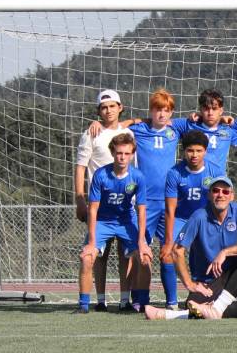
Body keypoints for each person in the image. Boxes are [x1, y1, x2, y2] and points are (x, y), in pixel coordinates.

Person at [77, 133, 152, 313]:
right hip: (103, 220)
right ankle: (84, 305)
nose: (122, 157)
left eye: (126, 153)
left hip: (126, 220)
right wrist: (92, 242)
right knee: (87, 258)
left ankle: (140, 303)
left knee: (144, 258)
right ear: (112, 152)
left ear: (132, 154)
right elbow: (93, 209)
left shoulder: (138, 177)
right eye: (119, 153)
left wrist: (142, 241)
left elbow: (141, 210)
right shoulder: (101, 175)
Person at [73, 89, 134, 311]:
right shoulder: (91, 133)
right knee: (97, 255)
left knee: (126, 254)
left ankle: (125, 300)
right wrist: (80, 198)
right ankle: (99, 301)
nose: (108, 110)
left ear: (120, 107)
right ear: (99, 111)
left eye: (112, 106)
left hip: (126, 205)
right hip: (99, 206)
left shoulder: (129, 133)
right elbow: (80, 167)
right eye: (103, 107)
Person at [168, 176, 237, 312]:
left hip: (236, 276)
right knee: (194, 307)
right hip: (209, 281)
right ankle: (225, 303)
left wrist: (224, 252)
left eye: (225, 192)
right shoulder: (198, 217)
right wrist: (189, 284)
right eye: (216, 191)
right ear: (209, 195)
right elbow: (177, 251)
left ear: (232, 196)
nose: (220, 195)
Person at [127, 89, 181, 309]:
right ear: (151, 111)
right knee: (143, 251)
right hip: (145, 202)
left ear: (171, 113)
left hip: (170, 201)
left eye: (166, 110)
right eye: (157, 110)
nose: (161, 114)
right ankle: (140, 300)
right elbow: (117, 127)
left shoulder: (177, 129)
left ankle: (172, 301)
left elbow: (201, 122)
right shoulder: (139, 130)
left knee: (168, 250)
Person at [161, 131, 222, 310]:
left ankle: (210, 296)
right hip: (182, 218)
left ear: (205, 151)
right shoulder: (174, 173)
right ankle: (171, 302)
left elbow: (221, 202)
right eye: (190, 151)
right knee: (168, 255)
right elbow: (170, 209)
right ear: (183, 151)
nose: (194, 155)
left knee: (211, 257)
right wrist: (167, 240)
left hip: (205, 219)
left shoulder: (215, 171)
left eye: (198, 151)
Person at [172, 89, 237, 173]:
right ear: (200, 110)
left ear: (221, 110)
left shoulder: (228, 131)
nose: (210, 113)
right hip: (192, 179)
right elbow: (166, 122)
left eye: (214, 109)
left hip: (217, 181)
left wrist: (232, 123)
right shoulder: (190, 125)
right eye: (206, 109)